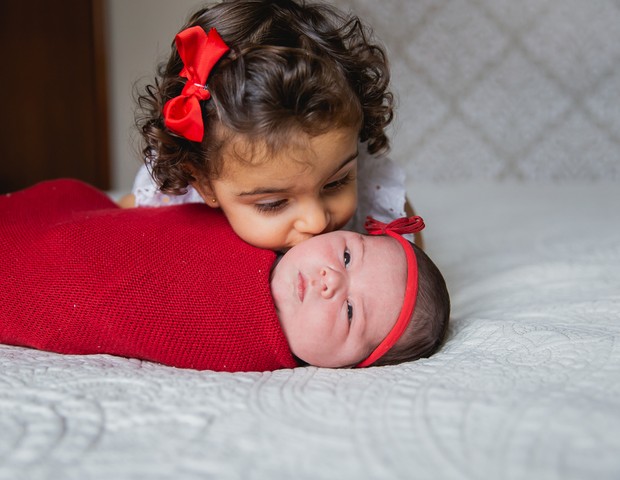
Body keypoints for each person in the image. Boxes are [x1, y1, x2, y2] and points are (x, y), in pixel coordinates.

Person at [1, 180, 448, 371]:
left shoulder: (248, 343)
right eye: (349, 257)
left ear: (352, 365)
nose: (331, 280)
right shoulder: (263, 222)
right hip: (73, 228)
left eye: (351, 312)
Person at [119, 0, 422, 250]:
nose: (316, 222)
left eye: (337, 182)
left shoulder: (379, 209)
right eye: (274, 203)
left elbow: (413, 279)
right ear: (204, 183)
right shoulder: (163, 207)